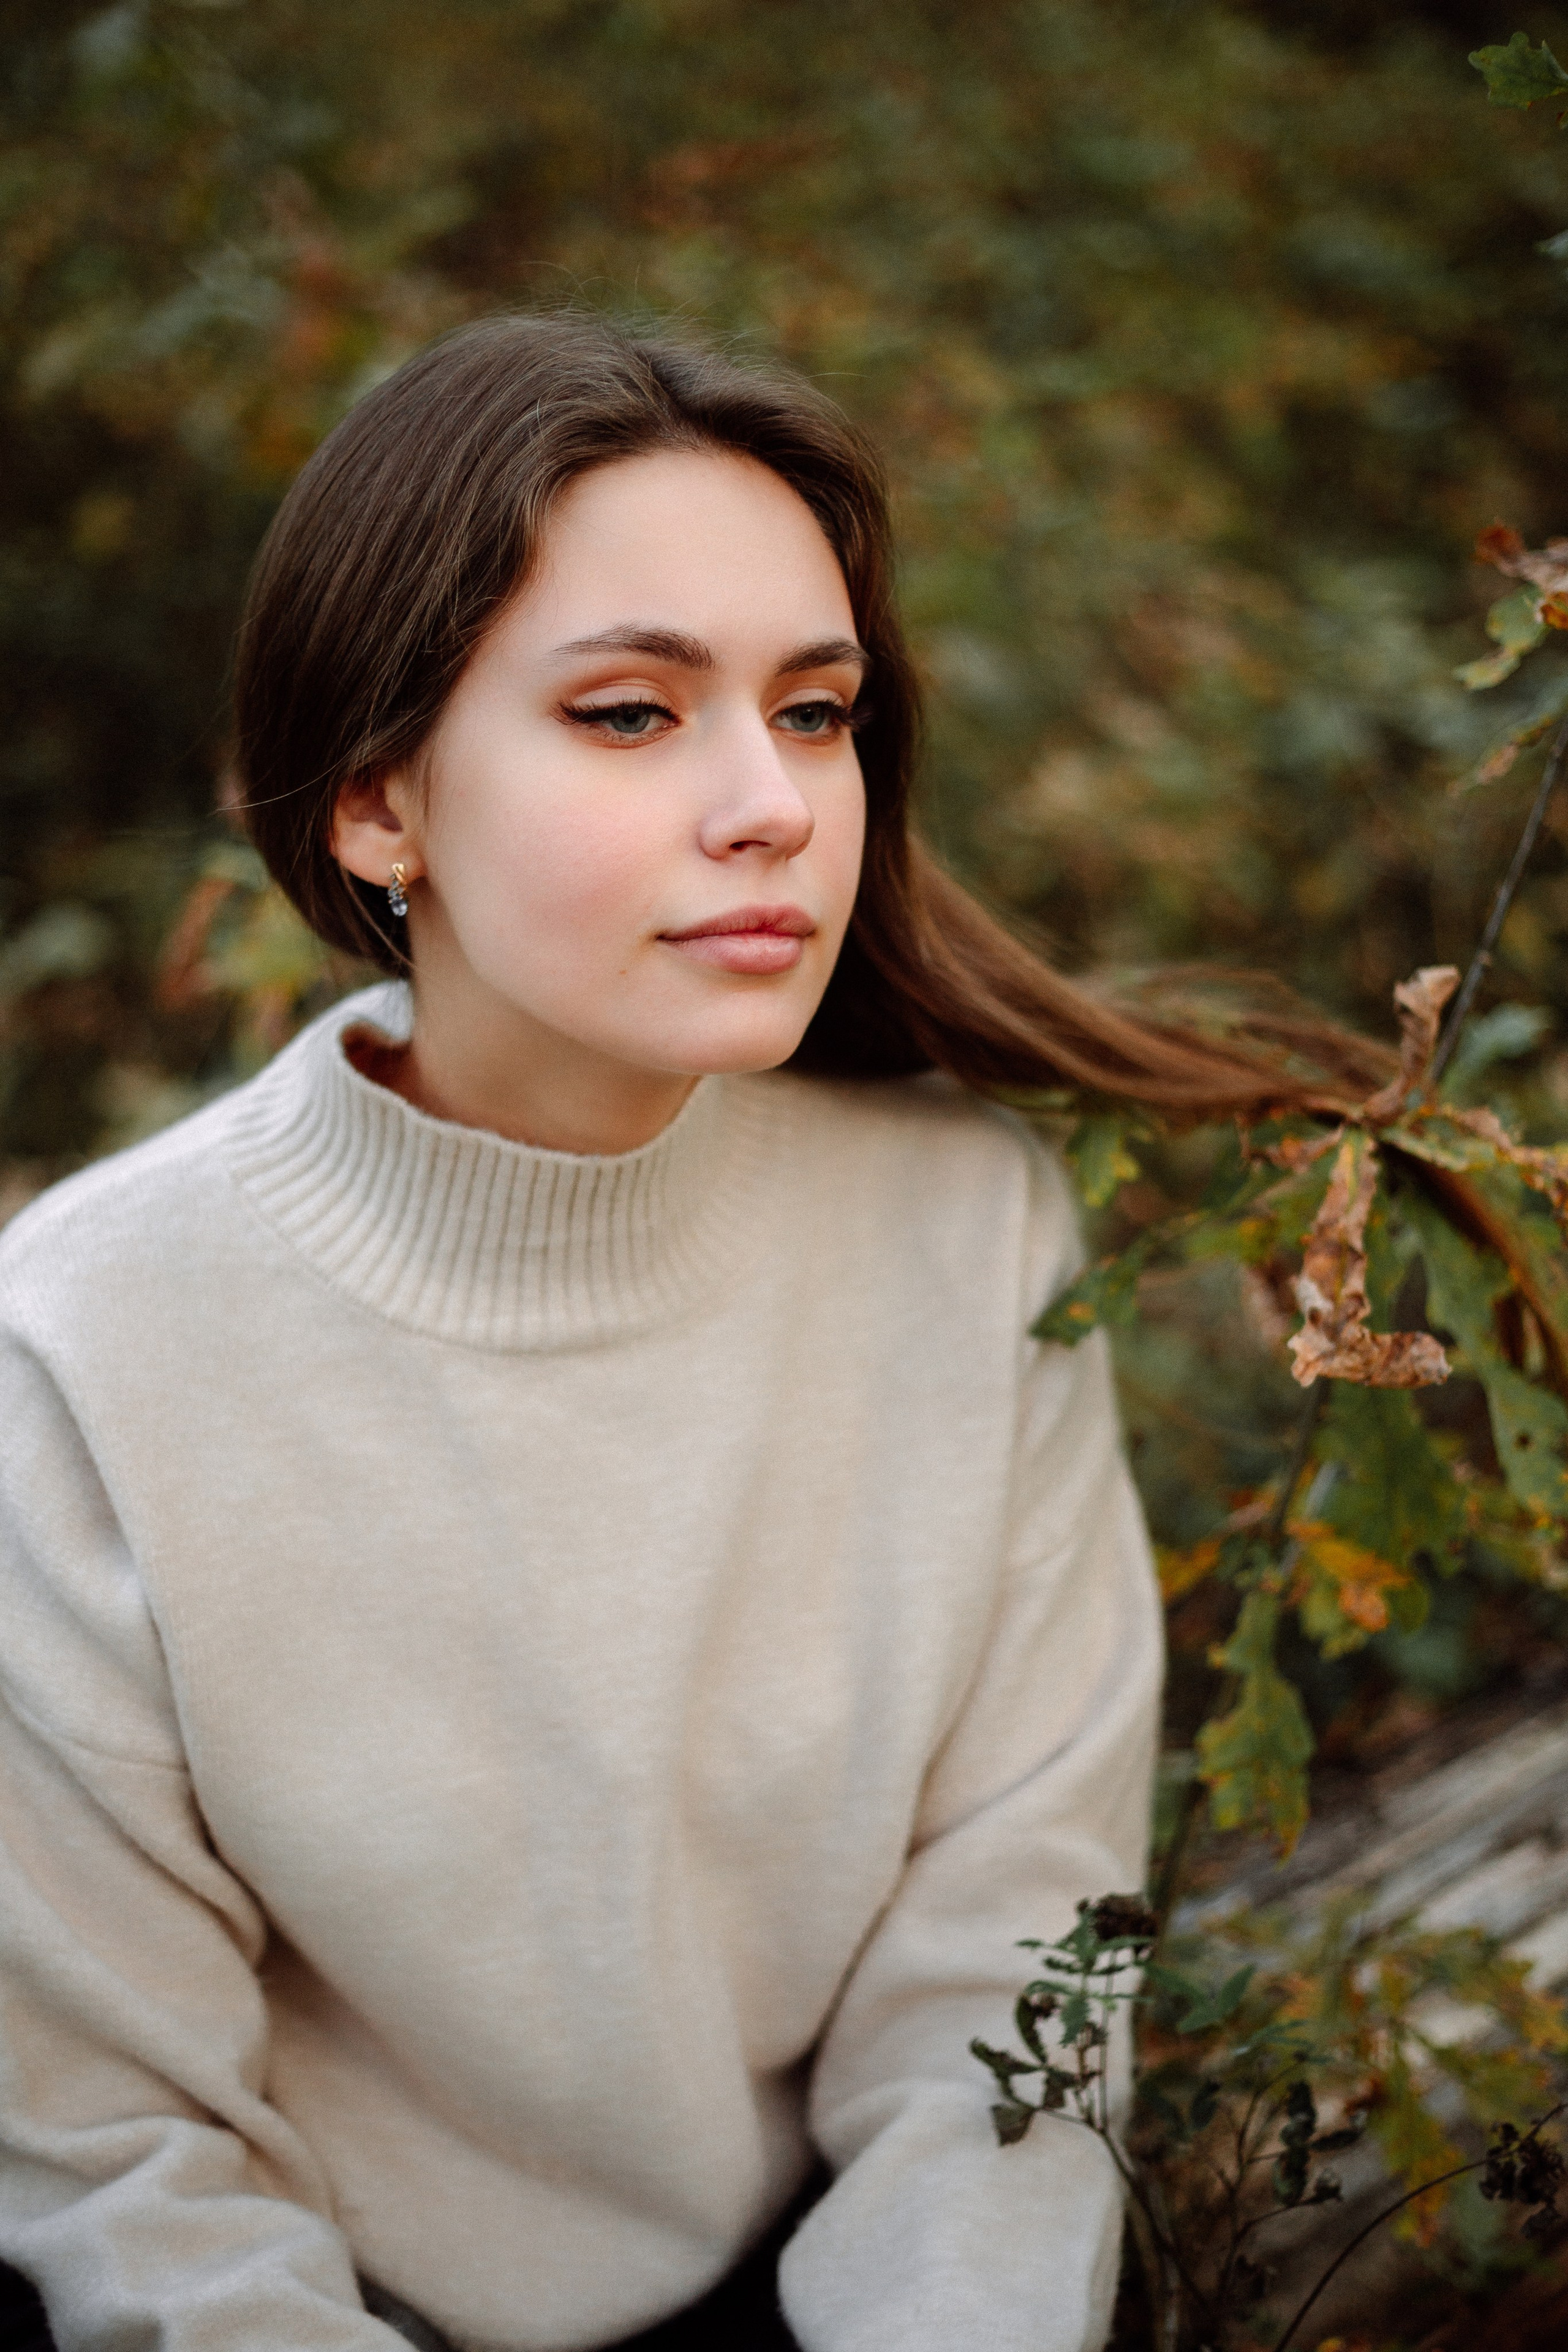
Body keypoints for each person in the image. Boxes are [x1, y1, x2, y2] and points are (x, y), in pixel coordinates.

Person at [0, 315, 1385, 2352]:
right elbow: (123, 2156)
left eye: (814, 712)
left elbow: (1012, 1965)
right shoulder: (86, 1351)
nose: (771, 807)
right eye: (635, 714)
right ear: (380, 802)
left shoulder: (963, 1224)